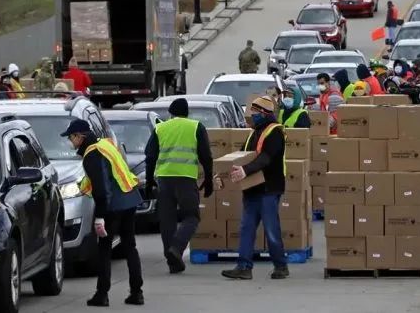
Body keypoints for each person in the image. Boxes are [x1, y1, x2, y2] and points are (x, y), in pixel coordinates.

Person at [61, 119, 144, 307]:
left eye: (70, 138)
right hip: (129, 199)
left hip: (112, 206)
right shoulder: (104, 144)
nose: (70, 142)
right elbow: (109, 175)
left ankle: (102, 294)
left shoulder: (92, 153)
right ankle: (137, 292)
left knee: (104, 249)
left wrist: (99, 216)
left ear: (79, 137)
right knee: (130, 246)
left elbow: (101, 187)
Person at [219, 96, 288, 280]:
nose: (252, 115)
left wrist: (245, 170)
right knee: (247, 228)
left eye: (256, 112)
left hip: (269, 189)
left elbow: (265, 158)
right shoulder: (254, 132)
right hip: (252, 189)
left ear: (265, 113)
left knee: (271, 229)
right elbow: (242, 156)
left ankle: (280, 266)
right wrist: (223, 173)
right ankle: (243, 267)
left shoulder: (274, 133)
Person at [144, 98, 213, 274]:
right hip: (186, 179)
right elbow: (206, 156)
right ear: (187, 113)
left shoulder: (161, 128)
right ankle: (177, 247)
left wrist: (150, 180)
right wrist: (209, 179)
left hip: (164, 180)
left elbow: (150, 156)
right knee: (192, 216)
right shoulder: (196, 126)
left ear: (171, 113)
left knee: (167, 221)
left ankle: (173, 262)